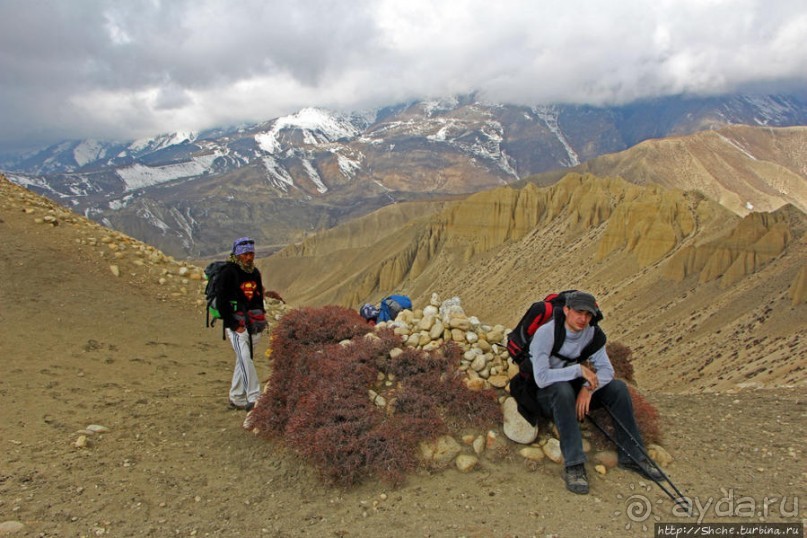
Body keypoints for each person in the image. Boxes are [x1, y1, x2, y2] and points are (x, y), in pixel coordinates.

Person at [528, 290, 662, 494]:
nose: (583, 319)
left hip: (574, 387)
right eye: (579, 312)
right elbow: (541, 377)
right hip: (545, 393)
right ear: (566, 310)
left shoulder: (592, 334)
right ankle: (574, 464)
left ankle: (633, 456)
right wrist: (578, 370)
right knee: (563, 390)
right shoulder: (546, 333)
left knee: (618, 389)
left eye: (588, 314)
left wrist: (588, 389)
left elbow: (608, 371)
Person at [216, 237, 268, 412]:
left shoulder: (255, 272)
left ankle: (236, 396)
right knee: (245, 358)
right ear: (238, 254)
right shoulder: (228, 272)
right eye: (246, 254)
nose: (249, 257)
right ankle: (254, 396)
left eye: (251, 253)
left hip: (254, 324)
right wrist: (233, 325)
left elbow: (258, 296)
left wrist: (262, 317)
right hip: (237, 325)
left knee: (243, 359)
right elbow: (221, 301)